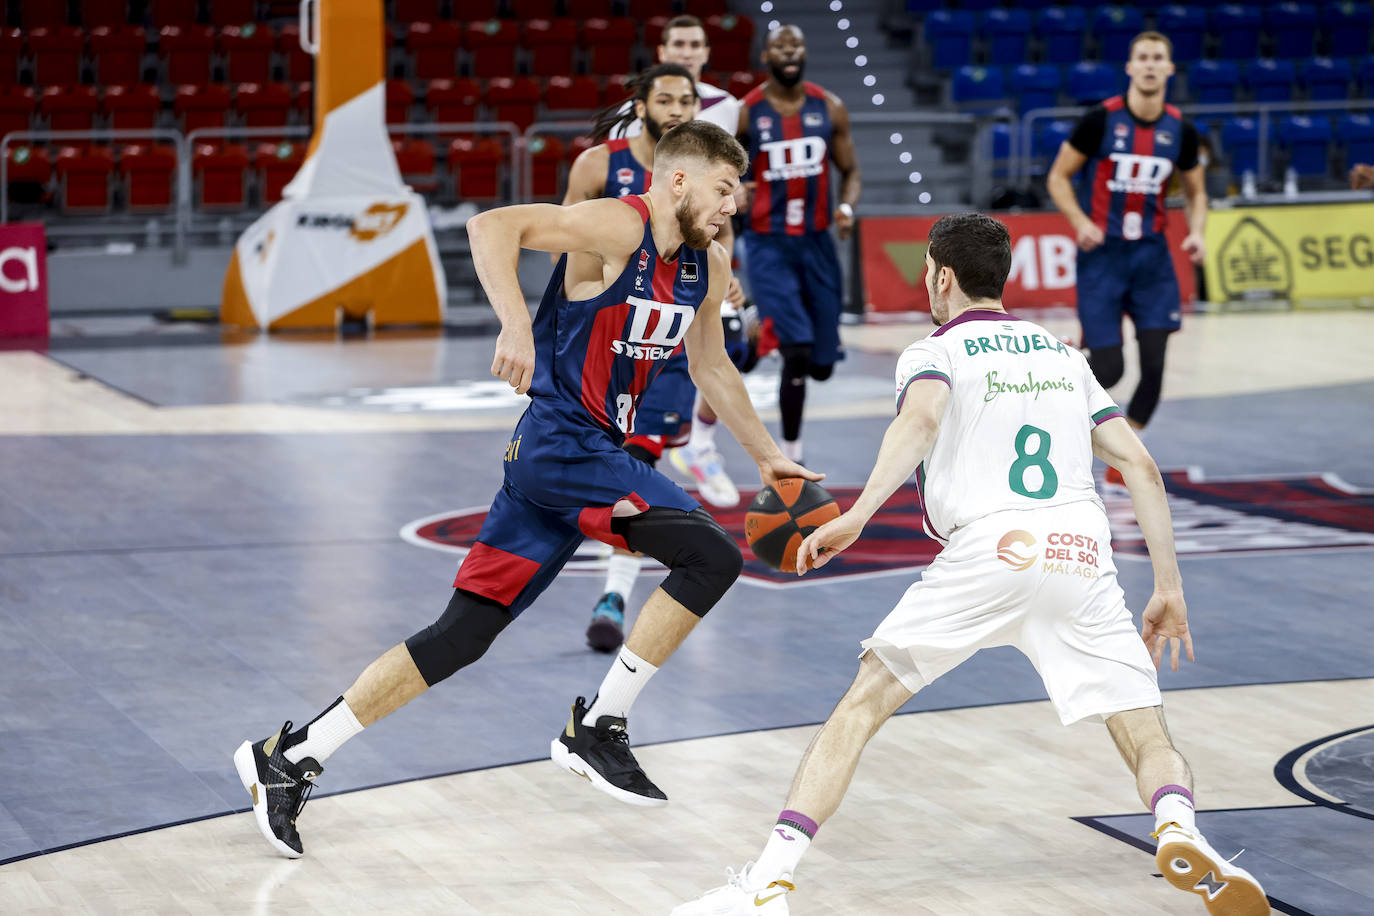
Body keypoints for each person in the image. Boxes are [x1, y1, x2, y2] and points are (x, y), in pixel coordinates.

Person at [234, 121, 818, 858]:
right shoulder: (616, 224)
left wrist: (768, 459)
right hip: (562, 442)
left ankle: (290, 756)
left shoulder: (707, 265)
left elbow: (712, 369)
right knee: (713, 557)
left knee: (461, 636)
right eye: (725, 189)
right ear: (679, 181)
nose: (733, 205)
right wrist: (517, 325)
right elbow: (491, 226)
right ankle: (601, 726)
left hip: (567, 462)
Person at [672, 213, 1267, 916]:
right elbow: (1139, 464)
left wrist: (858, 513)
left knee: (861, 706)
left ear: (942, 276)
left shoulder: (935, 350)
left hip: (989, 551)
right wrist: (1168, 587)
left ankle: (768, 883)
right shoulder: (1062, 354)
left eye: (927, 269)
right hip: (1081, 553)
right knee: (1142, 727)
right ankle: (1177, 825)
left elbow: (920, 421)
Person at [563, 64, 751, 653]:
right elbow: (566, 247)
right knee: (610, 468)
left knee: (639, 461)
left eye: (686, 99)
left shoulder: (704, 178)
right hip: (610, 339)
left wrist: (727, 282)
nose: (675, 107)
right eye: (664, 98)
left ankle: (614, 595)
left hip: (668, 338)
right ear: (640, 104)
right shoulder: (600, 165)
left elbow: (715, 241)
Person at [1047, 30, 1206, 487]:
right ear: (1130, 68)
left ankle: (1124, 457)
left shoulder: (1182, 129)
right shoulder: (1100, 121)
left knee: (1155, 366)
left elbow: (1197, 192)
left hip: (1153, 260)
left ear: (1170, 69)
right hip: (1104, 257)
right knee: (1111, 368)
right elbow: (1059, 178)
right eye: (1144, 58)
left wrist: (1197, 232)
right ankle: (1055, 397)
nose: (1152, 65)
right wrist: (1080, 221)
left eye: (1160, 58)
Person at [737, 24, 861, 466]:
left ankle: (757, 321)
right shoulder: (747, 112)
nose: (789, 52)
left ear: (804, 53)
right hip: (768, 243)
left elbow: (851, 172)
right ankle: (791, 457)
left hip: (817, 244)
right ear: (766, 55)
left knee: (822, 365)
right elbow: (727, 172)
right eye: (779, 46)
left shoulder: (830, 107)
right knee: (798, 350)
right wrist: (735, 196)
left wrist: (846, 209)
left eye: (796, 45)